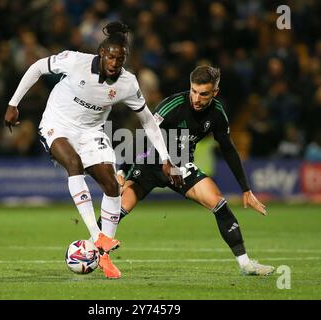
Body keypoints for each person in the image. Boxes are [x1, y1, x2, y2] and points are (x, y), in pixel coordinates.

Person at [4, 21, 183, 279]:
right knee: (73, 163)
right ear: (101, 53)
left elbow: (147, 121)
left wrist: (166, 158)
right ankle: (98, 236)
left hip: (91, 132)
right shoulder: (74, 61)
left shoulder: (127, 83)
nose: (114, 63)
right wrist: (13, 103)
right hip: (57, 124)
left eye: (120, 59)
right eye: (111, 57)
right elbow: (38, 67)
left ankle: (104, 256)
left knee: (112, 186)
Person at [99, 65, 275, 276]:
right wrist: (122, 170)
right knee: (116, 211)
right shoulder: (173, 106)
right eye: (193, 91)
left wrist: (246, 189)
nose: (197, 98)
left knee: (218, 203)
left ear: (215, 93)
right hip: (148, 163)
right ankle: (95, 254)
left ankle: (246, 265)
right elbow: (144, 135)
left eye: (203, 94)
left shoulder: (217, 114)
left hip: (180, 167)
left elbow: (228, 149)